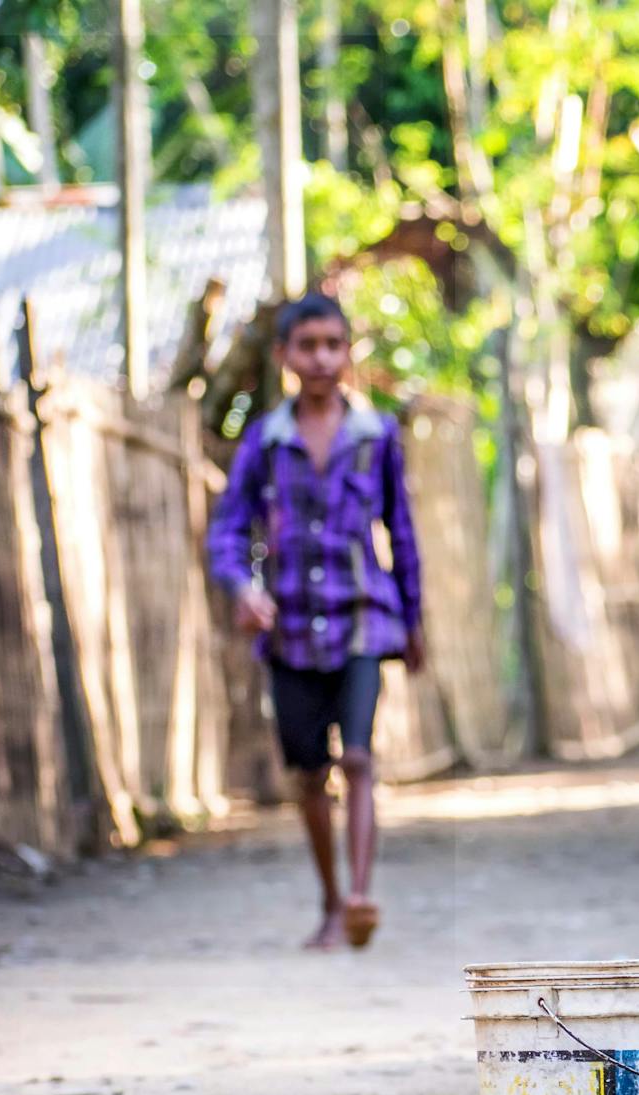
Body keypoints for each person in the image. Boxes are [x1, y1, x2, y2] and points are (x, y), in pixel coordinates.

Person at [207, 293, 426, 951]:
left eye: (334, 343)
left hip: (364, 617)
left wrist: (413, 620)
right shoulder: (265, 443)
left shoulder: (377, 435)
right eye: (309, 346)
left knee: (357, 755)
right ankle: (332, 901)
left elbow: (403, 532)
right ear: (285, 357)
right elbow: (226, 530)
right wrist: (243, 589)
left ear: (348, 351)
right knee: (309, 772)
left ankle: (361, 896)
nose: (323, 357)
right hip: (290, 628)